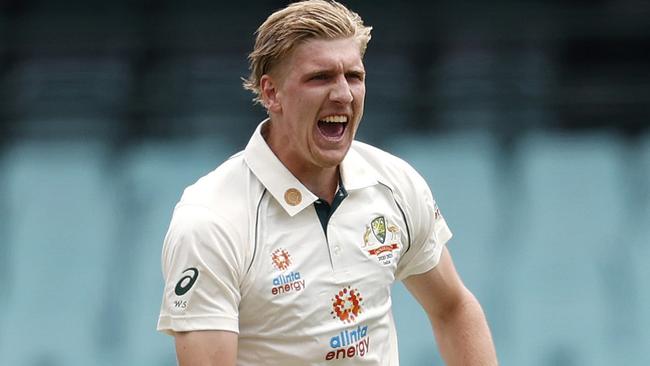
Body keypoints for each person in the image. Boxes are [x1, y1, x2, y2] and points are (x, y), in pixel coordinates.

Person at [157, 1, 498, 365]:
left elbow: (453, 308)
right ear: (272, 93)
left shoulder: (394, 184)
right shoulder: (212, 221)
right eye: (320, 77)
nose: (343, 95)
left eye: (354, 76)